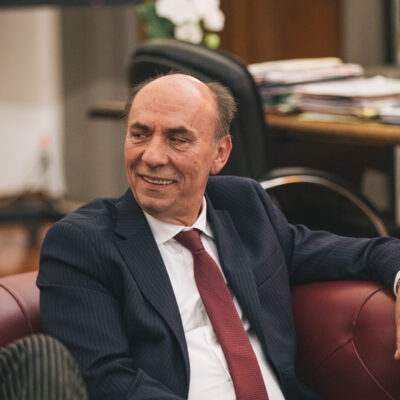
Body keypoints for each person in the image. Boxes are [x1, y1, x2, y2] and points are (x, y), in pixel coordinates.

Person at [37, 73, 400, 400]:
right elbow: (106, 380)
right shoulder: (81, 244)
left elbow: (366, 253)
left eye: (177, 139)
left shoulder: (245, 207)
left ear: (220, 153)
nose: (152, 156)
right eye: (139, 134)